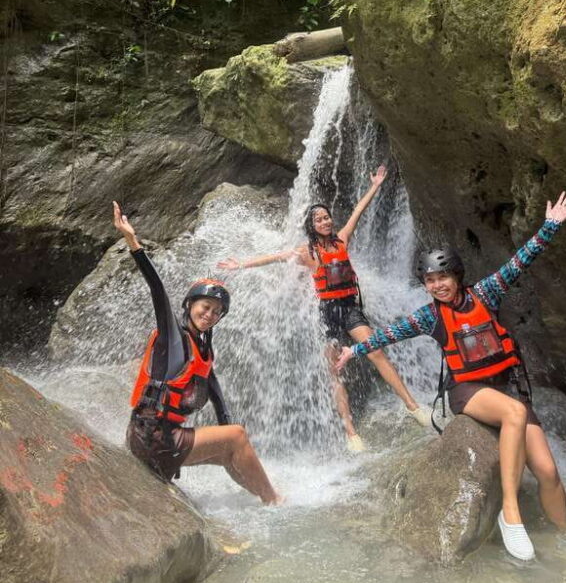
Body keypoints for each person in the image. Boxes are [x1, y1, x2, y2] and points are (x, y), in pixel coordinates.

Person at [336, 191, 566, 560]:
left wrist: (550, 226)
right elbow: (390, 334)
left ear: (457, 276)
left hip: (508, 387)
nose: (437, 285)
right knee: (512, 414)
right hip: (468, 391)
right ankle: (510, 513)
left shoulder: (486, 293)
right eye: (430, 280)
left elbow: (519, 263)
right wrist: (354, 350)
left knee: (548, 471)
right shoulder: (429, 316)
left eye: (443, 277)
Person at [218, 165, 431, 452]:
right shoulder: (306, 253)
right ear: (312, 226)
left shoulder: (342, 238)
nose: (325, 221)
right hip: (328, 313)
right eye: (319, 219)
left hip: (350, 308)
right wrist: (240, 265)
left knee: (376, 350)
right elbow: (274, 258)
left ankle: (413, 406)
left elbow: (358, 211)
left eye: (327, 217)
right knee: (334, 371)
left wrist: (376, 185)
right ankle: (350, 431)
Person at [113, 201, 280, 504]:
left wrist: (225, 421)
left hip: (157, 439)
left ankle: (264, 501)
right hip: (154, 439)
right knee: (237, 436)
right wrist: (132, 241)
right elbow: (157, 289)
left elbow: (215, 393)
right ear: (190, 306)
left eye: (217, 312)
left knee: (231, 449)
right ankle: (275, 500)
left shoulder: (203, 350)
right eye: (205, 307)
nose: (210, 314)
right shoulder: (173, 337)